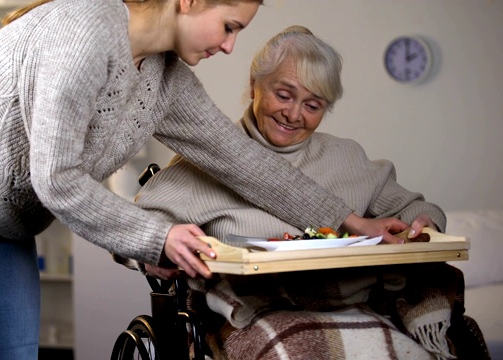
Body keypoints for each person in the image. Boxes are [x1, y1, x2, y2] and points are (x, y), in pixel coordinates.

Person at [0, 0, 415, 358]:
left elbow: (243, 161)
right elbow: (57, 179)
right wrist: (158, 236)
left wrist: (349, 220)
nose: (231, 46)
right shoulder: (85, 29)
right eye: (230, 25)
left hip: (7, 225)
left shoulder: (166, 77)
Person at [131, 26, 487, 359]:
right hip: (250, 313)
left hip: (351, 303)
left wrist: (421, 224)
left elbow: (418, 210)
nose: (293, 114)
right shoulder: (204, 161)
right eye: (283, 95)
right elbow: (139, 228)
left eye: (312, 105)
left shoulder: (347, 158)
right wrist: (157, 248)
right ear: (255, 86)